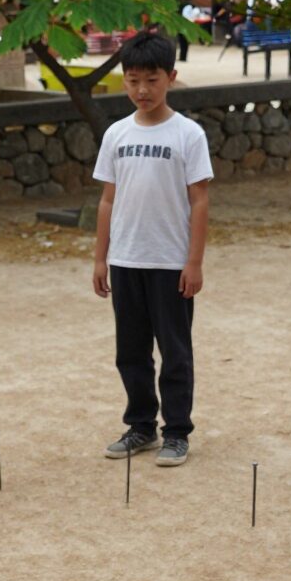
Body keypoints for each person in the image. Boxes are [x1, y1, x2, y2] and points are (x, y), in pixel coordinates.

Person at [92, 29, 213, 468]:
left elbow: (199, 200)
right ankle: (141, 425)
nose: (142, 90)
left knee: (175, 352)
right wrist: (100, 257)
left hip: (170, 262)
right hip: (126, 260)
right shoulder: (116, 134)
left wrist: (193, 262)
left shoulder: (188, 134)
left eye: (152, 80)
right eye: (133, 80)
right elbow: (108, 199)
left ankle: (176, 432)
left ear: (171, 78)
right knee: (131, 351)